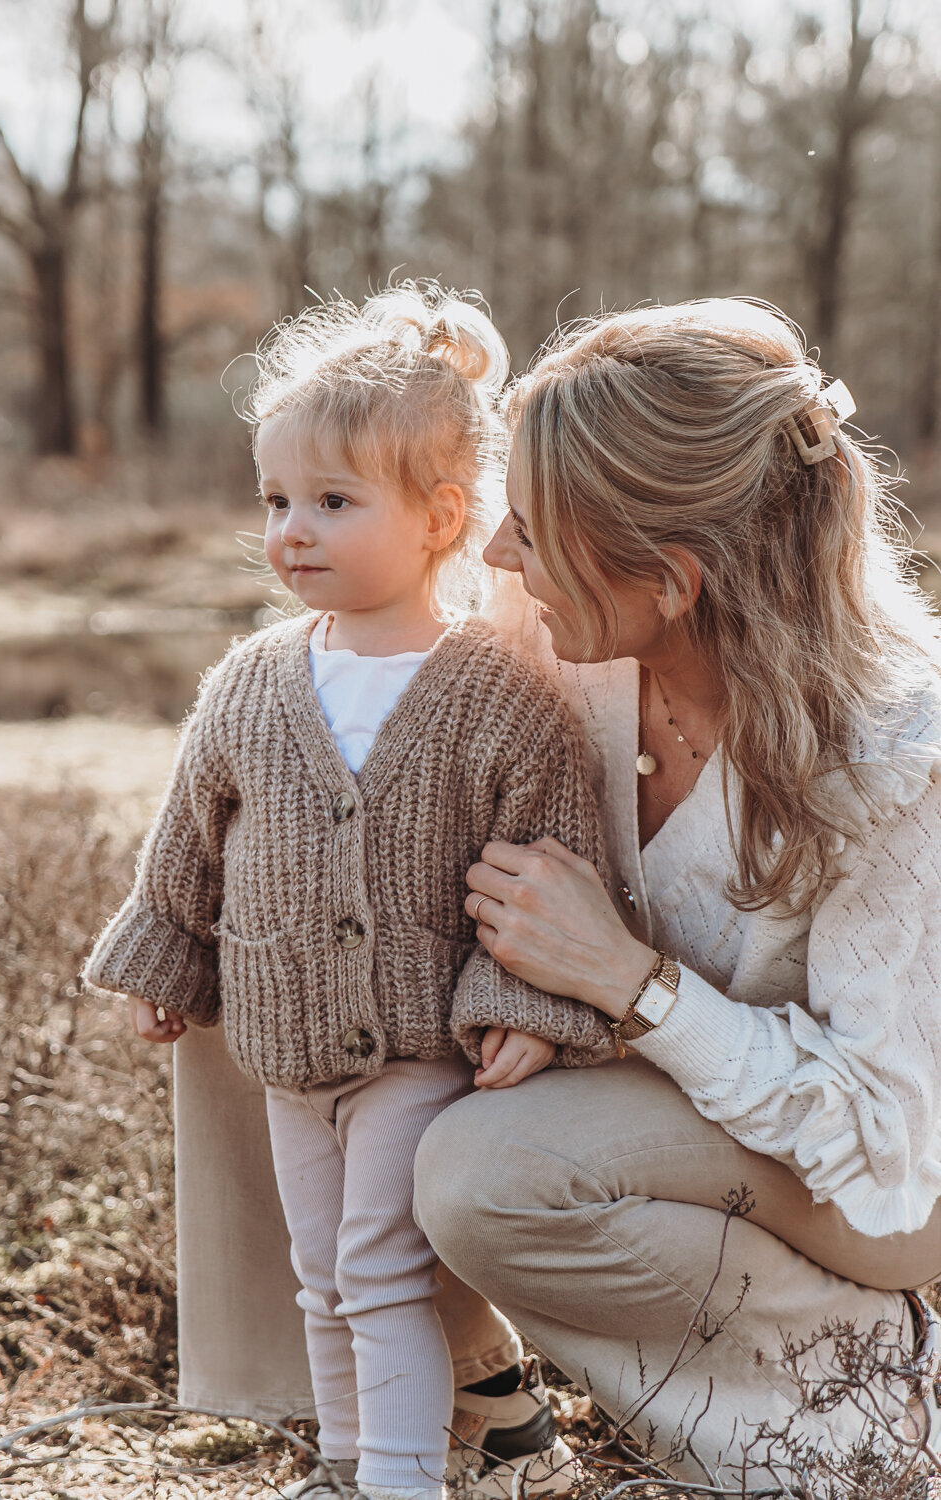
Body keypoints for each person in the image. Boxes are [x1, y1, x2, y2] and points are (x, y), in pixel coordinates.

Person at [83, 284, 615, 1500]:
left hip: (423, 1047)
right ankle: (342, 1461)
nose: (292, 532)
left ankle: (398, 1478)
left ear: (439, 519)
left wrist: (518, 1001)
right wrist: (169, 961)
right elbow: (189, 845)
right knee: (318, 1269)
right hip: (286, 1042)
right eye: (275, 501)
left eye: (331, 502)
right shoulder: (253, 680)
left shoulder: (496, 691)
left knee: (379, 1264)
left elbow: (550, 852)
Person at [411, 297, 941, 1491]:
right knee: (282, 959)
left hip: (876, 1179)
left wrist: (624, 983)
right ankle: (415, 1408)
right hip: (665, 1107)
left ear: (669, 581)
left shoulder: (898, 754)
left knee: (486, 1178)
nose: (497, 558)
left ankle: (850, 1422)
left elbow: (877, 1140)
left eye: (530, 534)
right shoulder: (558, 638)